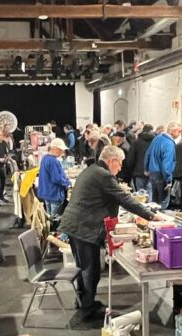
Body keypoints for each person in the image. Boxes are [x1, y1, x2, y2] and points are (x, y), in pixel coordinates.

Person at [59, 145, 169, 324]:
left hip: (74, 224)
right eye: (120, 164)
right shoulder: (104, 175)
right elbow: (124, 199)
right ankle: (87, 308)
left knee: (82, 266)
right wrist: (151, 215)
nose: (120, 168)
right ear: (112, 161)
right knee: (90, 269)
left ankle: (83, 302)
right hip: (84, 227)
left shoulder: (91, 170)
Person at [144, 123, 179, 209]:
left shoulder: (157, 138)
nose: (179, 134)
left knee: (154, 201)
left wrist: (146, 168)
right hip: (162, 174)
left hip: (152, 172)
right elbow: (167, 163)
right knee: (163, 203)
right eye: (179, 131)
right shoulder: (169, 143)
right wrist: (168, 180)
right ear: (172, 131)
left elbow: (147, 154)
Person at [37, 138, 71, 218]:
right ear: (55, 149)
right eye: (61, 150)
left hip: (47, 194)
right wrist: (67, 183)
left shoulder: (45, 158)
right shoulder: (53, 161)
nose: (62, 152)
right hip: (54, 194)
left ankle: (49, 229)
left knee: (49, 218)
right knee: (55, 219)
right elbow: (57, 179)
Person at [122, 124, 154, 195]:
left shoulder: (136, 142)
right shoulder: (155, 142)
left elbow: (130, 159)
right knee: (150, 192)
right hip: (152, 172)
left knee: (140, 194)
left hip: (138, 172)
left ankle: (141, 206)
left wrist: (131, 171)